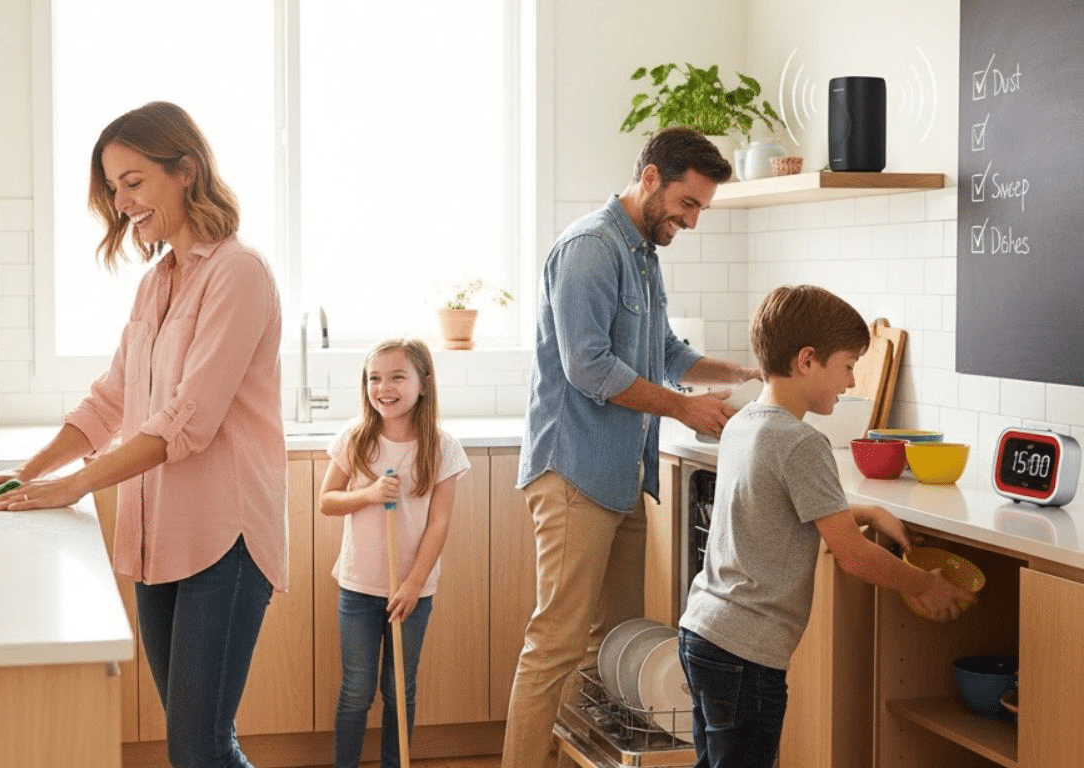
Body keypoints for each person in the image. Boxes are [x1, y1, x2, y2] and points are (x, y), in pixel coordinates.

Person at [0, 101, 286, 768]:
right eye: (112, 187)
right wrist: (26, 474)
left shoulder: (238, 272)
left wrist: (73, 485)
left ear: (185, 169)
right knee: (198, 744)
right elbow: (111, 402)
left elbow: (189, 418)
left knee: (199, 746)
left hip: (227, 537)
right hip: (160, 536)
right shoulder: (156, 284)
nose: (122, 201)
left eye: (134, 181)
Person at [502, 126, 760, 768]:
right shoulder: (592, 249)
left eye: (701, 207)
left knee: (612, 646)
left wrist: (743, 374)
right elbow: (588, 367)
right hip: (574, 473)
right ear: (650, 178)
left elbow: (665, 352)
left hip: (620, 475)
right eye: (689, 203)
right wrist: (684, 406)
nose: (693, 220)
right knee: (556, 644)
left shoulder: (643, 253)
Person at [678, 285, 975, 768]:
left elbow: (771, 507)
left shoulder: (745, 423)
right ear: (808, 360)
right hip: (747, 655)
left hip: (704, 634)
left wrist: (866, 511)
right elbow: (854, 555)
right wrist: (927, 584)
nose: (853, 381)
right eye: (848, 365)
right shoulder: (801, 443)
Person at [318, 338, 470, 768]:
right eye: (375, 378)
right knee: (356, 688)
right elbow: (327, 501)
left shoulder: (442, 447)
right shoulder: (356, 438)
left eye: (397, 377)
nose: (384, 387)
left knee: (399, 688)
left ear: (423, 383)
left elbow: (439, 523)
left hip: (412, 591)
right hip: (359, 586)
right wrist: (367, 494)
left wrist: (413, 584)